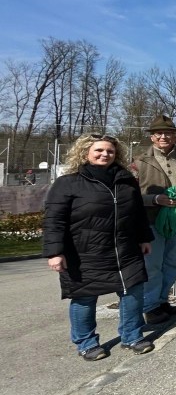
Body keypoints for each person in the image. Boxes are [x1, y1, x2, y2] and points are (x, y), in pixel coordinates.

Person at [44, 133, 155, 360]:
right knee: (84, 297)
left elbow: (138, 213)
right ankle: (86, 343)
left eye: (110, 151)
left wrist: (144, 237)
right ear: (86, 152)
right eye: (99, 150)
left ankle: (132, 335)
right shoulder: (68, 183)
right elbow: (54, 219)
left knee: (133, 292)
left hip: (125, 250)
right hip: (84, 252)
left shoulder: (126, 180)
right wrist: (55, 252)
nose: (105, 154)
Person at [131, 114, 176, 325]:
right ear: (152, 137)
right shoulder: (140, 163)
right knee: (153, 265)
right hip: (152, 219)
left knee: (173, 263)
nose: (164, 137)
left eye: (168, 133)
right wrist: (155, 199)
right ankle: (150, 306)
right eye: (159, 134)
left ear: (175, 137)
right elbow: (129, 195)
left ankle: (162, 299)